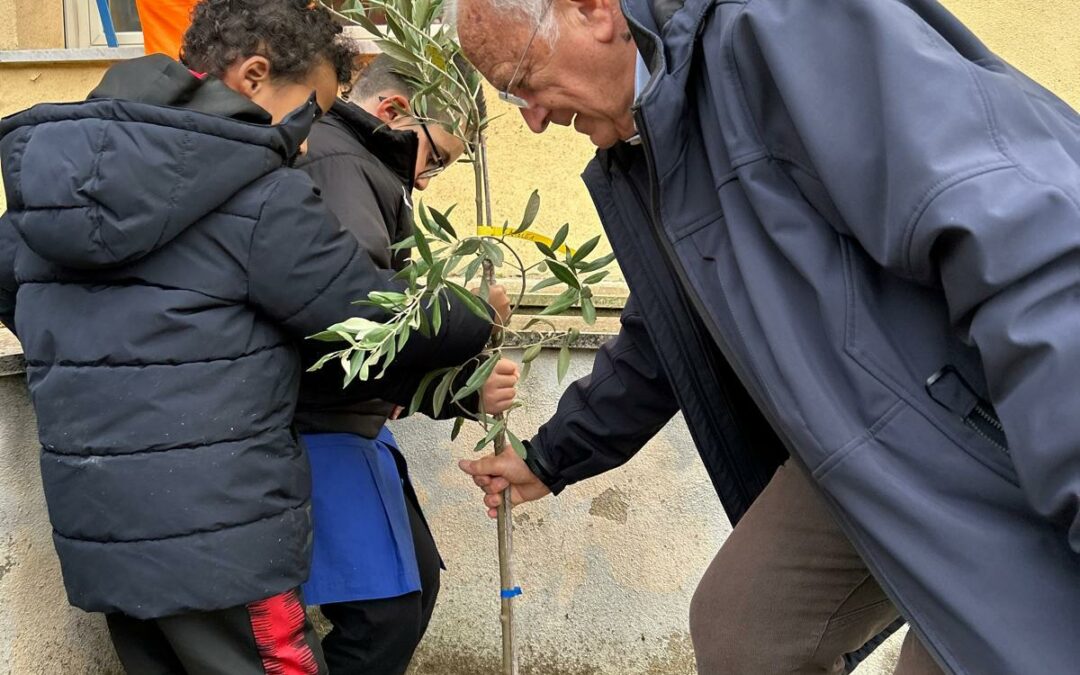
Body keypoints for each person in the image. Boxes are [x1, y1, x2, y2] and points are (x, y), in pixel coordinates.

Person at [453, 0, 1080, 672]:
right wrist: (550, 456)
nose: (534, 119)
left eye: (521, 81)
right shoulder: (659, 138)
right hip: (861, 432)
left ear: (593, 10)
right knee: (745, 624)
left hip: (999, 415)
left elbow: (1022, 237)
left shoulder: (780, 28)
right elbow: (666, 332)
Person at [0, 1, 503, 672]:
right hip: (224, 537)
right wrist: (474, 310)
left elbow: (18, 294)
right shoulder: (259, 195)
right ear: (254, 76)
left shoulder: (51, 188)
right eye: (311, 112)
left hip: (104, 533)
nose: (306, 141)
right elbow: (367, 313)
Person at [292, 55, 517, 674]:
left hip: (350, 423)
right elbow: (360, 317)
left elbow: (381, 344)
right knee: (381, 618)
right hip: (320, 426)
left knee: (410, 594)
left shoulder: (358, 165)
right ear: (393, 111)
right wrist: (472, 314)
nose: (426, 181)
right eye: (437, 158)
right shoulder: (341, 163)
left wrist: (463, 392)